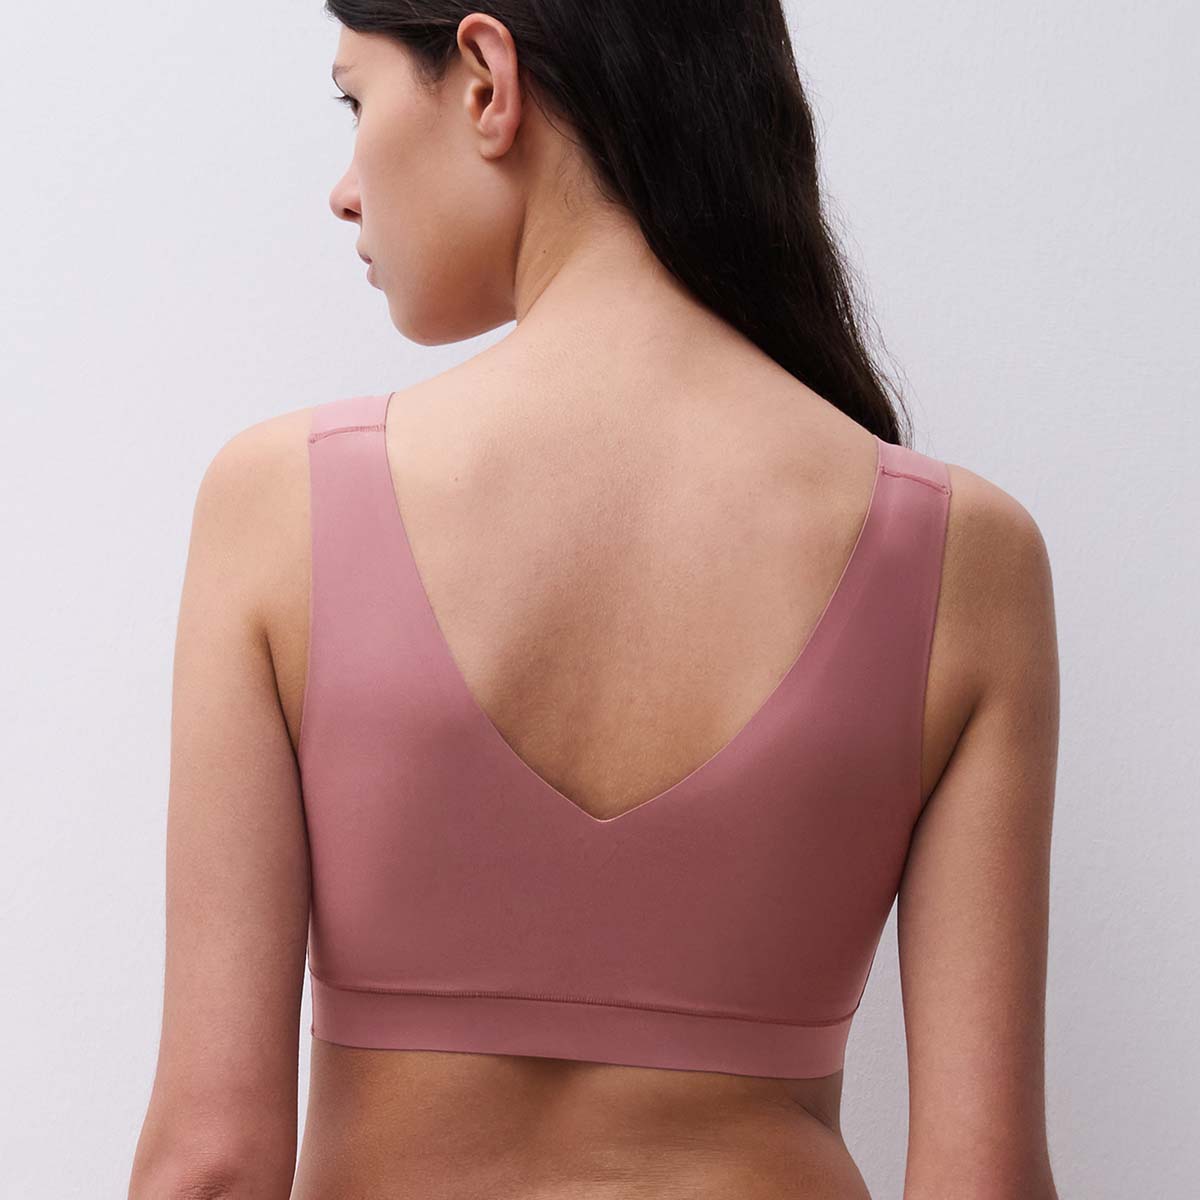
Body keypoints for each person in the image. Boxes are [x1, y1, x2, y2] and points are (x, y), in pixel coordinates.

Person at [128, 5, 1061, 1199]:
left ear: (485, 81)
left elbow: (211, 1165)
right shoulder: (961, 558)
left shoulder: (282, 507)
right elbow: (986, 1182)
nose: (345, 192)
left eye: (356, 103)